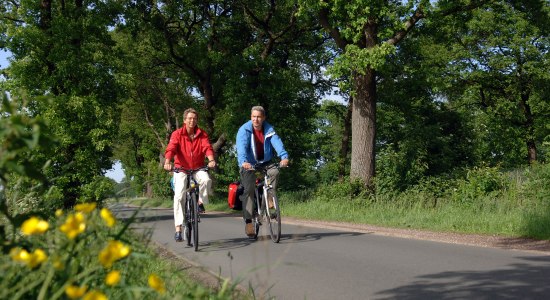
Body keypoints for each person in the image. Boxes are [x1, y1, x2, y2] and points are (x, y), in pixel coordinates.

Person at [164, 108, 216, 242]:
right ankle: (178, 229)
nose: (192, 121)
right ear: (184, 120)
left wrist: (211, 160)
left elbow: (207, 148)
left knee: (206, 180)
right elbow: (171, 148)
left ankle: (199, 202)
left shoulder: (202, 134)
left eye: (194, 118)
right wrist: (167, 161)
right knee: (179, 195)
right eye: (189, 118)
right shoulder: (177, 134)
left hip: (198, 167)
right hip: (181, 168)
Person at [236, 106, 289, 238]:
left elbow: (277, 143)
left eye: (259, 117)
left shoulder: (269, 129)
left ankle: (270, 197)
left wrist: (284, 157)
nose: (256, 119)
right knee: (248, 190)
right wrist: (243, 161)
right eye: (254, 116)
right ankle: (248, 222)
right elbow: (241, 147)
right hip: (248, 163)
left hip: (266, 161)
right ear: (251, 117)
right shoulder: (244, 130)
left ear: (263, 118)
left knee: (275, 172)